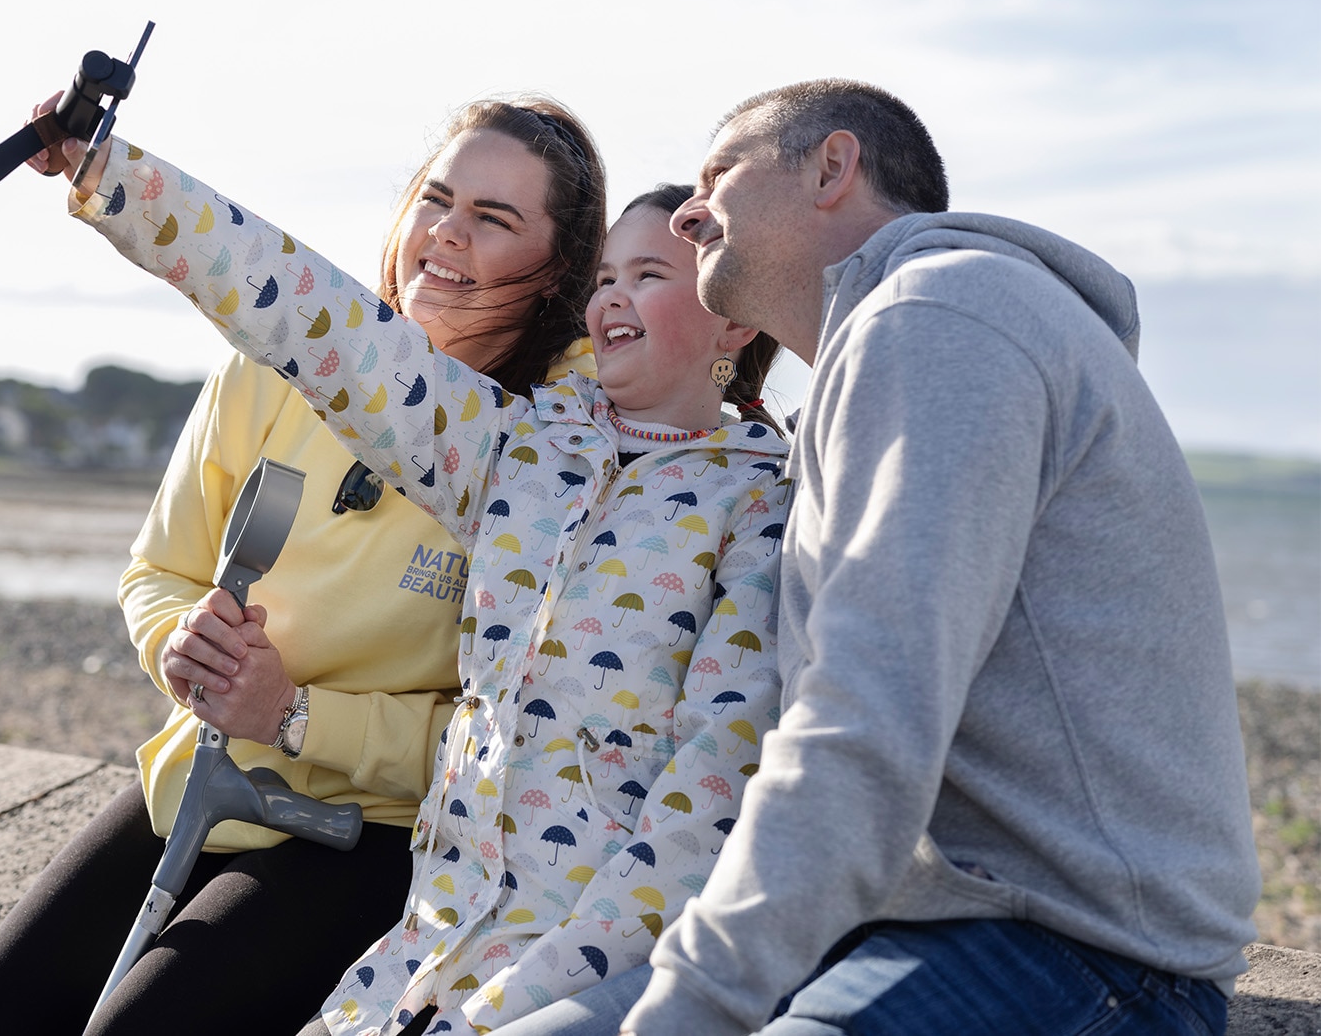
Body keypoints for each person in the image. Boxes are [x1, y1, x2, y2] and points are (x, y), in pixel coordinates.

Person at [518, 79, 1262, 1036]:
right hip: (903, 922)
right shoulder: (889, 347)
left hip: (1089, 951)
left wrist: (694, 1004)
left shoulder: (940, 317)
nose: (692, 211)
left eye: (720, 174)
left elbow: (865, 718)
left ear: (833, 166)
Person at [62, 112, 797, 1036]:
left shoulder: (762, 506)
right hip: (430, 932)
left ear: (733, 313)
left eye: (649, 276)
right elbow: (292, 303)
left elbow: (706, 793)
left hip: (558, 952)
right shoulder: (518, 449)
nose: (613, 297)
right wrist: (112, 172)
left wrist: (528, 991)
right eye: (607, 275)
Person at [0, 97, 606, 1036]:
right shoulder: (271, 366)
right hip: (208, 770)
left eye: (493, 219)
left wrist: (294, 713)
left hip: (377, 831)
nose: (445, 233)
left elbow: (507, 746)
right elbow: (158, 570)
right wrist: (185, 649)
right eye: (436, 198)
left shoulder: (552, 451)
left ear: (556, 272)